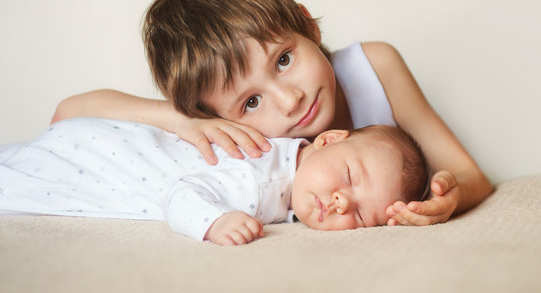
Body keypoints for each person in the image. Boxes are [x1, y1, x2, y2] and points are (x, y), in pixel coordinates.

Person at [51, 0, 493, 227]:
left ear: (308, 26)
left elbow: (467, 173)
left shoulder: (375, 66)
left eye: (283, 59)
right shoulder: (231, 133)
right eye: (251, 102)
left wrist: (447, 197)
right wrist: (184, 119)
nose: (290, 101)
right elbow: (68, 112)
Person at [0, 118, 427, 246]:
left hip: (92, 140)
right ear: (329, 139)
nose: (339, 202)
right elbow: (182, 194)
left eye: (360, 214)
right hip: (97, 159)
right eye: (350, 177)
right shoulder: (267, 181)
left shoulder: (284, 156)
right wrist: (214, 221)